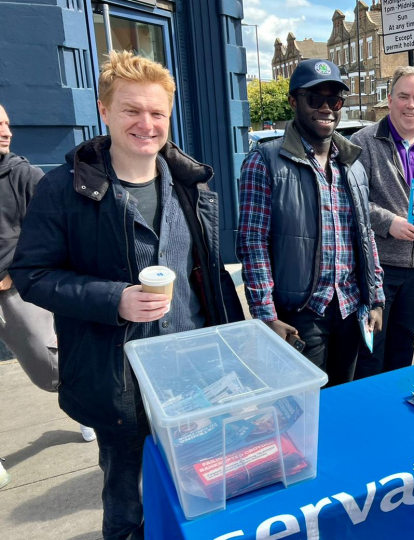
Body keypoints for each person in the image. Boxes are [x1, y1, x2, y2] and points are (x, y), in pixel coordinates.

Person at [9, 51, 244, 539]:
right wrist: (112, 298)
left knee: (198, 491)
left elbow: (207, 275)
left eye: (157, 113)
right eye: (131, 110)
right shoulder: (63, 190)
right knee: (128, 504)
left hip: (194, 374)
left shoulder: (191, 186)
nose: (146, 123)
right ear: (104, 110)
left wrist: (233, 346)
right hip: (116, 380)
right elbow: (31, 273)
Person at [237, 59, 385, 386]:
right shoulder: (264, 160)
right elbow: (252, 244)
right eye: (314, 99)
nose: (326, 108)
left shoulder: (352, 163)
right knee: (301, 411)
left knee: (342, 403)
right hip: (301, 314)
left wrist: (375, 298)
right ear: (293, 101)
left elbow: (365, 236)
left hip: (350, 309)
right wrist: (266, 316)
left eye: (334, 100)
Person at [0, 104, 97, 452]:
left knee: (50, 369)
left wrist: (14, 274)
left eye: (7, 123)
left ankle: (85, 408)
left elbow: (51, 237)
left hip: (15, 290)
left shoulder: (25, 176)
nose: (6, 131)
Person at [350, 66, 414, 378]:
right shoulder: (363, 142)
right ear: (390, 100)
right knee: (370, 349)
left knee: (404, 344)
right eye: (404, 96)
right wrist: (386, 221)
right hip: (378, 269)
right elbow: (347, 200)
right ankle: (371, 416)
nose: (411, 104)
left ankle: (395, 411)